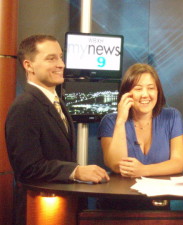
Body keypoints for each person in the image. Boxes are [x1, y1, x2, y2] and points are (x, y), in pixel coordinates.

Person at [5, 34, 109, 225]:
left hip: (61, 207)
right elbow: (28, 168)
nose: (61, 64)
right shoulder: (25, 106)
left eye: (60, 57)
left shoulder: (56, 101)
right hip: (40, 211)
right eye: (51, 58)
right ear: (28, 65)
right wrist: (76, 171)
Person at [98, 63, 183, 178]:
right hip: (123, 193)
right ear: (127, 93)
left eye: (151, 88)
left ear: (158, 92)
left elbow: (178, 163)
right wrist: (120, 121)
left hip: (160, 193)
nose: (145, 94)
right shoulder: (110, 121)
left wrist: (143, 170)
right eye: (138, 89)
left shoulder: (173, 117)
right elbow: (116, 165)